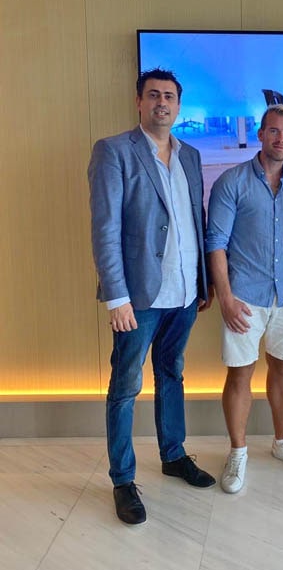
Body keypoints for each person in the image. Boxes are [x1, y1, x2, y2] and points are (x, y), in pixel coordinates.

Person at [88, 68, 216, 525]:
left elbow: (195, 221)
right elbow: (105, 229)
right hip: (138, 297)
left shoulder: (190, 155)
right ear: (139, 101)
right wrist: (116, 297)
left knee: (172, 372)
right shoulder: (114, 151)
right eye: (154, 95)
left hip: (184, 292)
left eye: (170, 96)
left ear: (179, 106)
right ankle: (123, 480)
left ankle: (173, 455)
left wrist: (203, 282)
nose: (162, 103)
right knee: (125, 386)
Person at [206, 104, 283, 494]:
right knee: (240, 374)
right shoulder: (232, 182)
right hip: (244, 297)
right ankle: (238, 451)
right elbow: (216, 243)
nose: (281, 139)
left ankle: (282, 442)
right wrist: (225, 298)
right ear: (260, 134)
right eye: (274, 131)